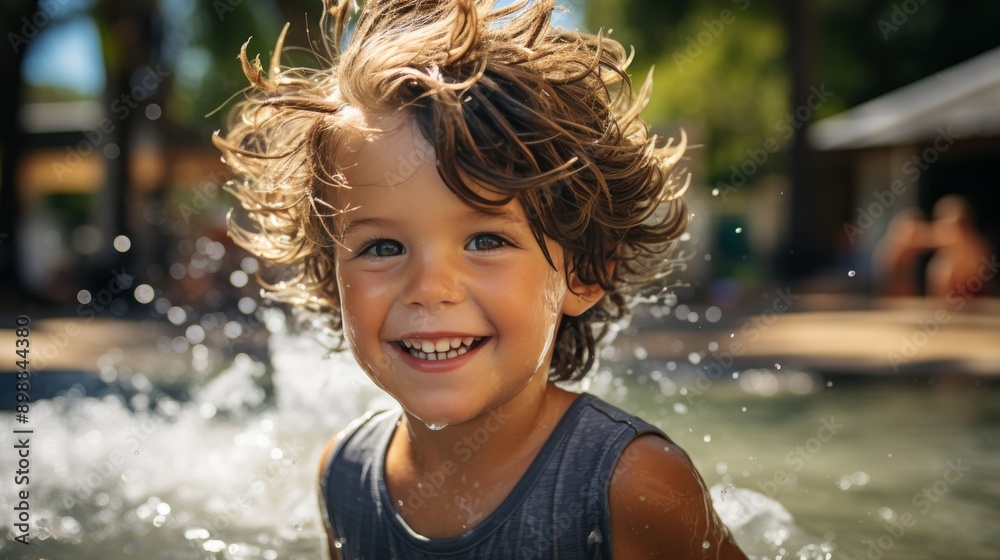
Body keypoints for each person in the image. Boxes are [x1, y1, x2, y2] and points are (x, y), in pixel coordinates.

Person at [215, 0, 747, 558]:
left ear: (583, 272)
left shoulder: (632, 486)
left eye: (486, 241)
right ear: (332, 282)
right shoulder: (344, 476)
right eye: (383, 247)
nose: (429, 287)